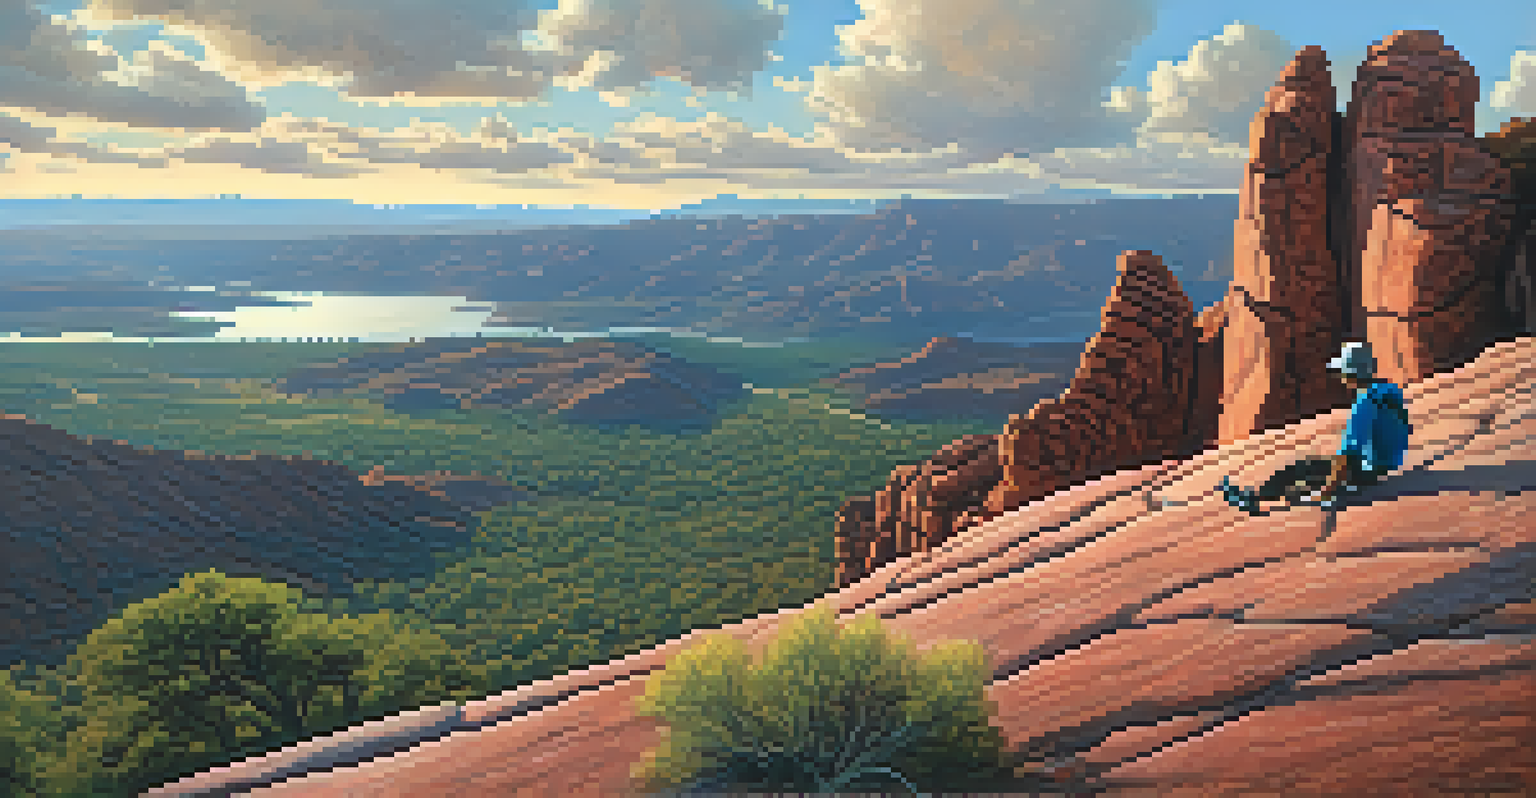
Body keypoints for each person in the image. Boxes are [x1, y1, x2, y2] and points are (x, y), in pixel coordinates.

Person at [1221, 341, 1412, 514]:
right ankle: (1278, 493)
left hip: (1367, 471)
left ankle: (1254, 499)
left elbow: (1349, 453)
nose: (1340, 376)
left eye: (1342, 371)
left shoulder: (1364, 403)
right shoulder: (1388, 391)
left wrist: (1329, 491)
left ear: (1350, 373)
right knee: (1310, 473)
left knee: (1298, 470)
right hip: (1386, 464)